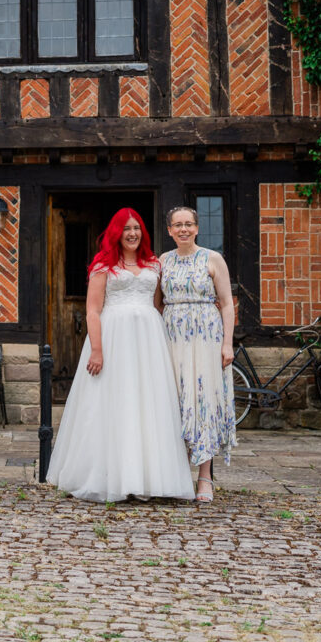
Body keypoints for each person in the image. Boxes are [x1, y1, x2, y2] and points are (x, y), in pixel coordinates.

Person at [46, 208, 195, 503]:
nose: (132, 233)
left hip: (148, 340)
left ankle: (147, 478)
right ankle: (106, 474)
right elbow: (92, 309)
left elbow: (158, 304)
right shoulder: (104, 265)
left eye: (137, 228)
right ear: (116, 232)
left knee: (146, 405)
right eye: (126, 229)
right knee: (112, 402)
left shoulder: (154, 264)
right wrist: (98, 349)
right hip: (113, 337)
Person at [156, 205, 236, 503]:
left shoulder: (213, 259)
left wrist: (227, 343)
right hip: (173, 337)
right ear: (169, 230)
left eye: (189, 224)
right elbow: (157, 303)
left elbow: (227, 304)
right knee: (175, 401)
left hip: (206, 337)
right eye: (178, 225)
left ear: (197, 228)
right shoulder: (163, 261)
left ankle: (204, 477)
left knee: (202, 400)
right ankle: (174, 473)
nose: (184, 229)